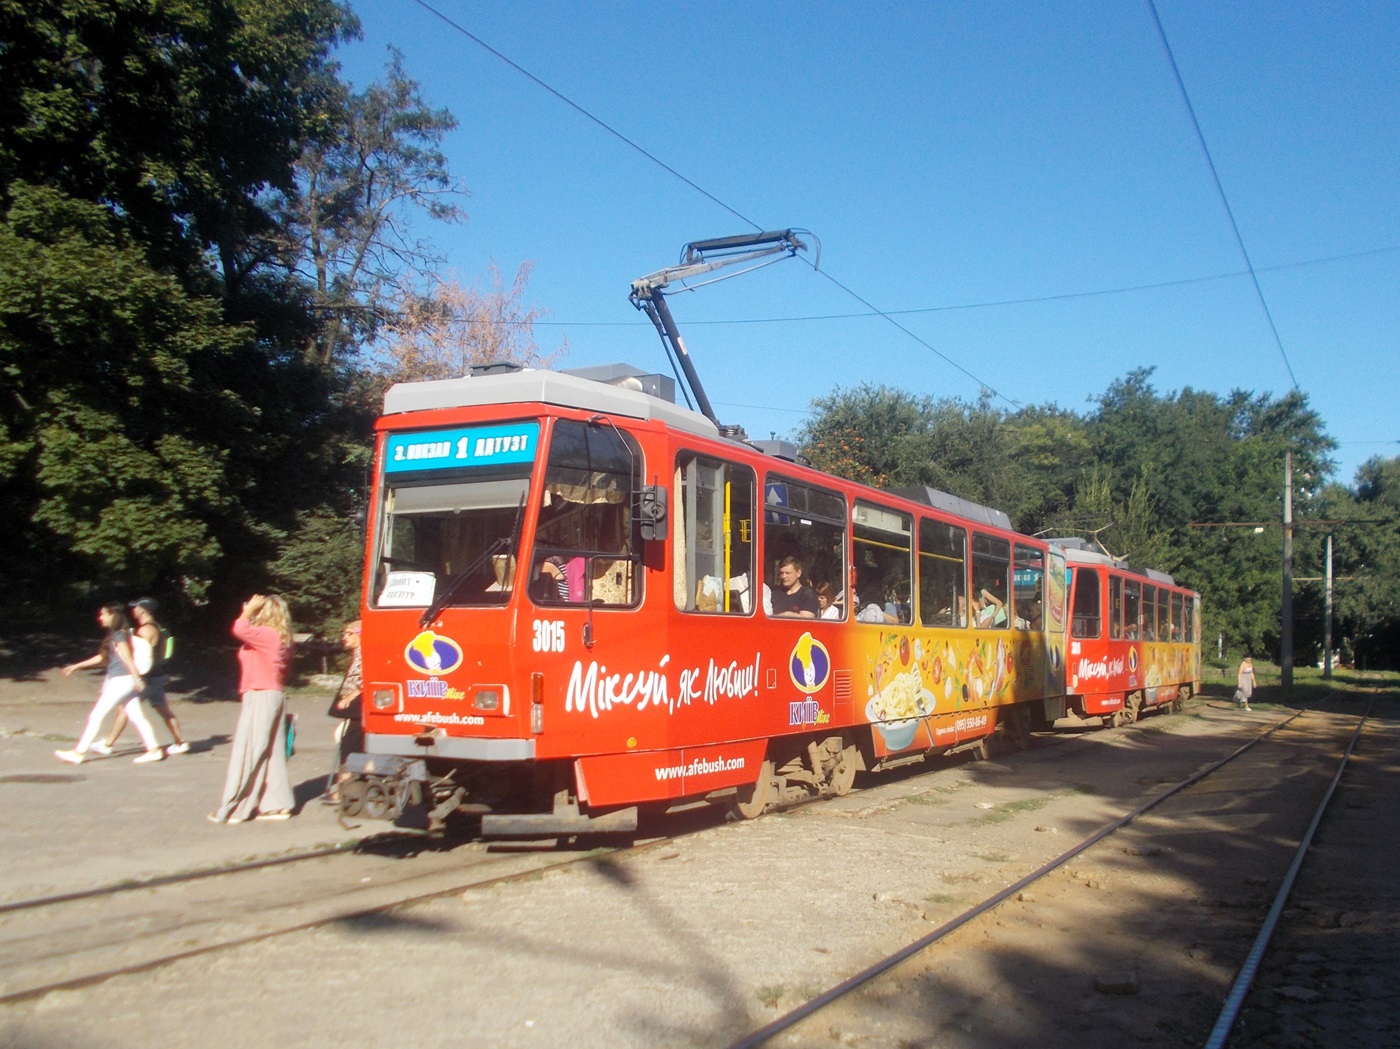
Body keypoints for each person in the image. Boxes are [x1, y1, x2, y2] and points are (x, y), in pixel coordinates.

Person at [209, 594, 295, 823]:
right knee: (271, 753)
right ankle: (278, 804)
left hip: (260, 694)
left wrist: (248, 612)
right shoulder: (283, 637)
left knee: (249, 751)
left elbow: (239, 628)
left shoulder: (267, 635)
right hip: (274, 693)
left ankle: (235, 808)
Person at [55, 603, 164, 764]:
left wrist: (136, 678)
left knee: (96, 715)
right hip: (124, 680)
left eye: (103, 614)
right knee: (137, 716)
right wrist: (76, 666)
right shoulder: (118, 633)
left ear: (113, 615)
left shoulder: (119, 634)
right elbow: (102, 657)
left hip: (121, 681)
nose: (100, 618)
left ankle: (78, 753)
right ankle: (154, 750)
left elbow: (127, 658)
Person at [101, 598, 189, 756]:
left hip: (148, 677)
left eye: (135, 607)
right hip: (158, 675)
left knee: (125, 708)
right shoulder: (157, 627)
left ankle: (107, 744)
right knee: (162, 709)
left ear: (143, 610)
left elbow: (139, 654)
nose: (133, 610)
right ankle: (180, 743)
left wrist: (134, 674)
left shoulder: (145, 630)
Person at [325, 619, 363, 802]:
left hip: (359, 706)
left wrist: (350, 696)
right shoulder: (357, 653)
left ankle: (345, 788)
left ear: (360, 635)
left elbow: (368, 677)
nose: (344, 637)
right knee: (351, 742)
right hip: (355, 707)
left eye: (348, 634)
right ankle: (347, 785)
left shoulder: (365, 653)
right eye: (343, 634)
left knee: (350, 744)